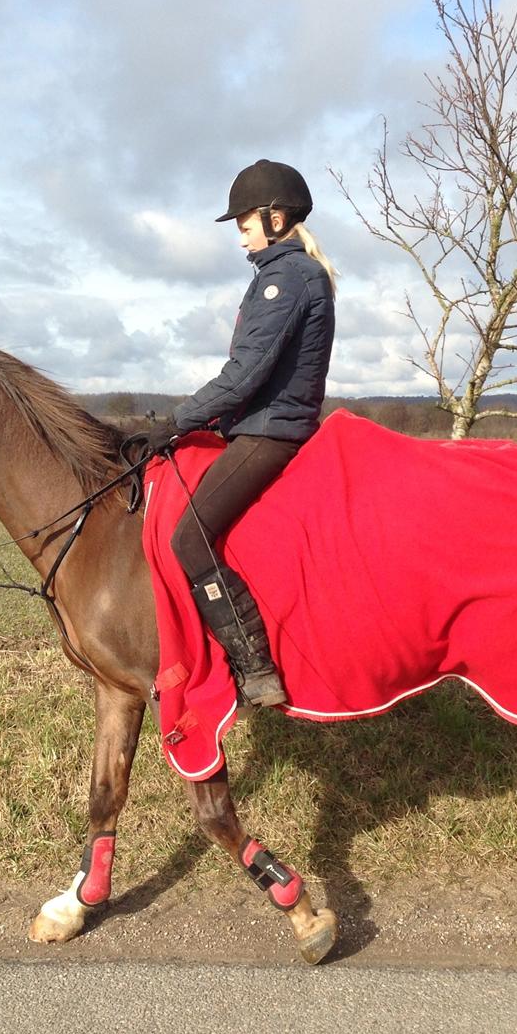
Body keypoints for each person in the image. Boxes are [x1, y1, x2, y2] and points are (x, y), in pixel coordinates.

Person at [143, 159, 337, 708]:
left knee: (189, 537)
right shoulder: (280, 275)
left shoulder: (287, 278)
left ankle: (254, 667)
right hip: (256, 426)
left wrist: (179, 420)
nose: (240, 234)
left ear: (276, 218)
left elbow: (244, 375)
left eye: (245, 222)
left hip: (269, 435)